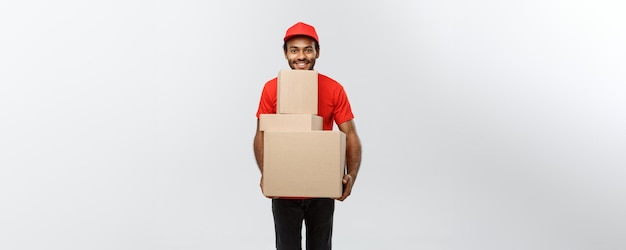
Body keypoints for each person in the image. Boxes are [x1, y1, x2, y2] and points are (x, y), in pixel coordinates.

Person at [253, 22, 362, 250]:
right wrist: (267, 173)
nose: (301, 56)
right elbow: (261, 134)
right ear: (285, 54)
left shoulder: (333, 89)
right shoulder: (271, 89)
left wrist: (351, 175)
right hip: (284, 189)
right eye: (294, 50)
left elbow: (350, 135)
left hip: (321, 189)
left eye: (308, 49)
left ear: (317, 52)